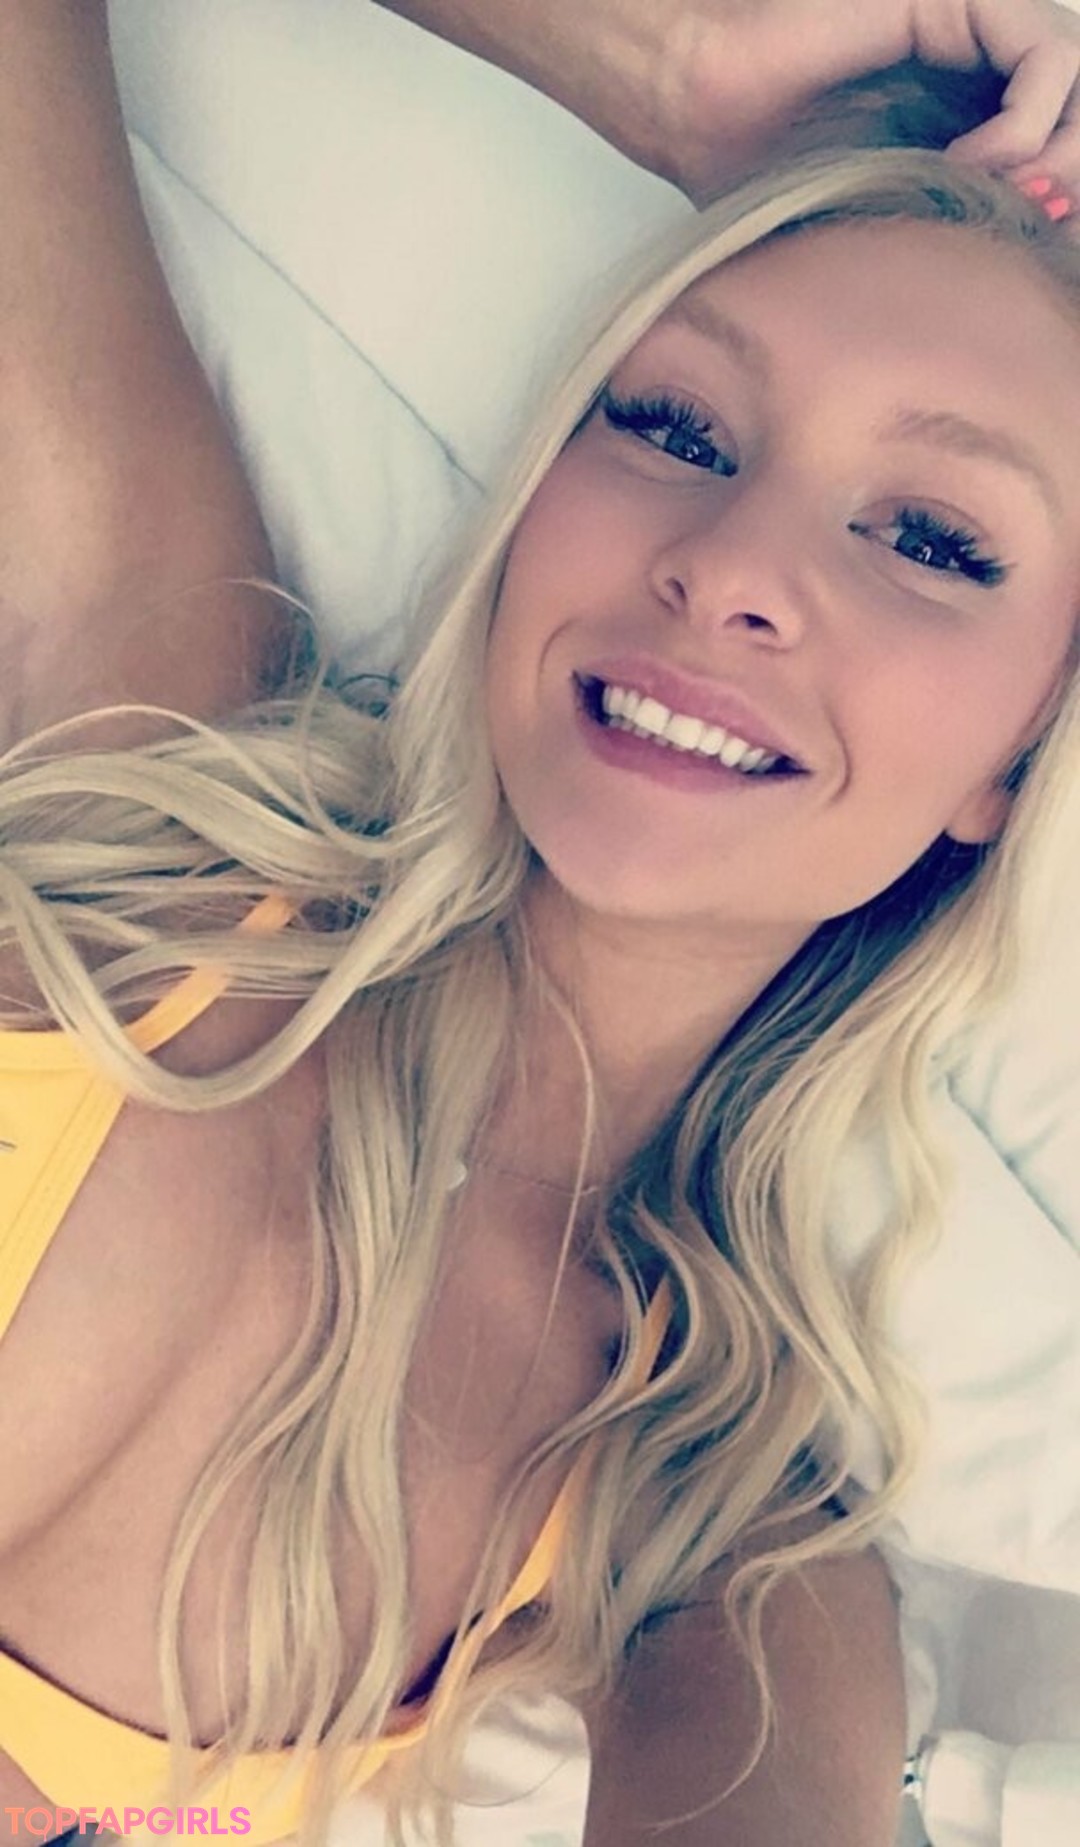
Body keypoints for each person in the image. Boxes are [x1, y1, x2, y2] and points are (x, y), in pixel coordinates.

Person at [2, 4, 1080, 1846]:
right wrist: (656, 70)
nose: (730, 570)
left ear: (1018, 757)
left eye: (931, 540)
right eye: (674, 424)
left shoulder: (702, 1521)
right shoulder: (158, 748)